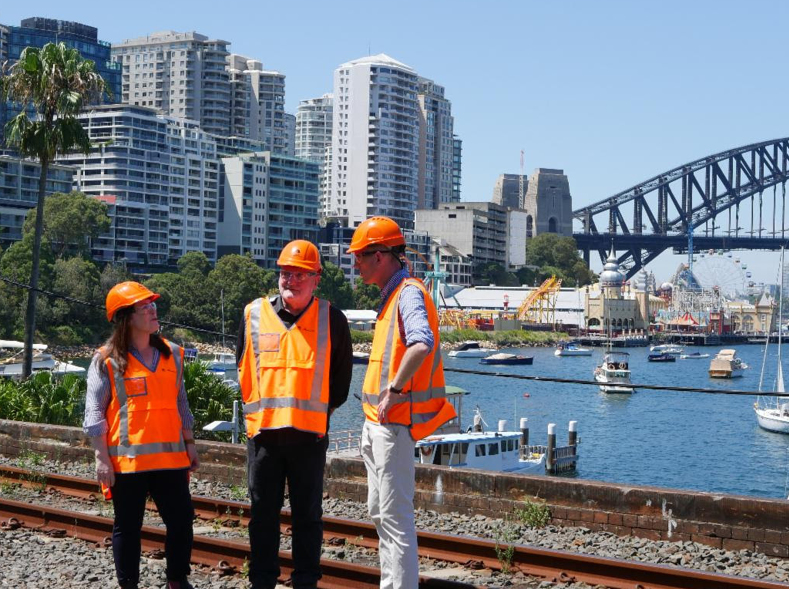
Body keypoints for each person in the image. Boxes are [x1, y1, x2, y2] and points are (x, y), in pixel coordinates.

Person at [347, 216, 457, 589]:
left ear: (380, 255)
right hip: (380, 423)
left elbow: (421, 343)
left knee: (394, 518)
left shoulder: (407, 292)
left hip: (392, 425)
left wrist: (394, 390)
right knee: (382, 514)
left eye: (360, 256)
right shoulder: (394, 294)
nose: (355, 264)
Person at [237, 239, 352, 589]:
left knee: (307, 518)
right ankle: (262, 580)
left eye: (301, 275)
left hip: (308, 438)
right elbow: (242, 367)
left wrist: (318, 415)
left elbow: (341, 381)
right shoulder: (253, 314)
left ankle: (305, 581)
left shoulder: (332, 319)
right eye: (287, 273)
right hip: (265, 438)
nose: (292, 281)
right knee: (262, 517)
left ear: (317, 279)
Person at [83, 281, 199, 589]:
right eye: (144, 307)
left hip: (171, 459)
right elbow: (94, 413)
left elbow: (181, 403)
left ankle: (177, 581)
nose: (153, 310)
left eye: (153, 305)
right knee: (128, 527)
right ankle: (129, 585)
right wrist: (101, 459)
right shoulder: (105, 360)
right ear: (126, 317)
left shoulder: (172, 354)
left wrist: (190, 443)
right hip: (128, 463)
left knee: (181, 521)